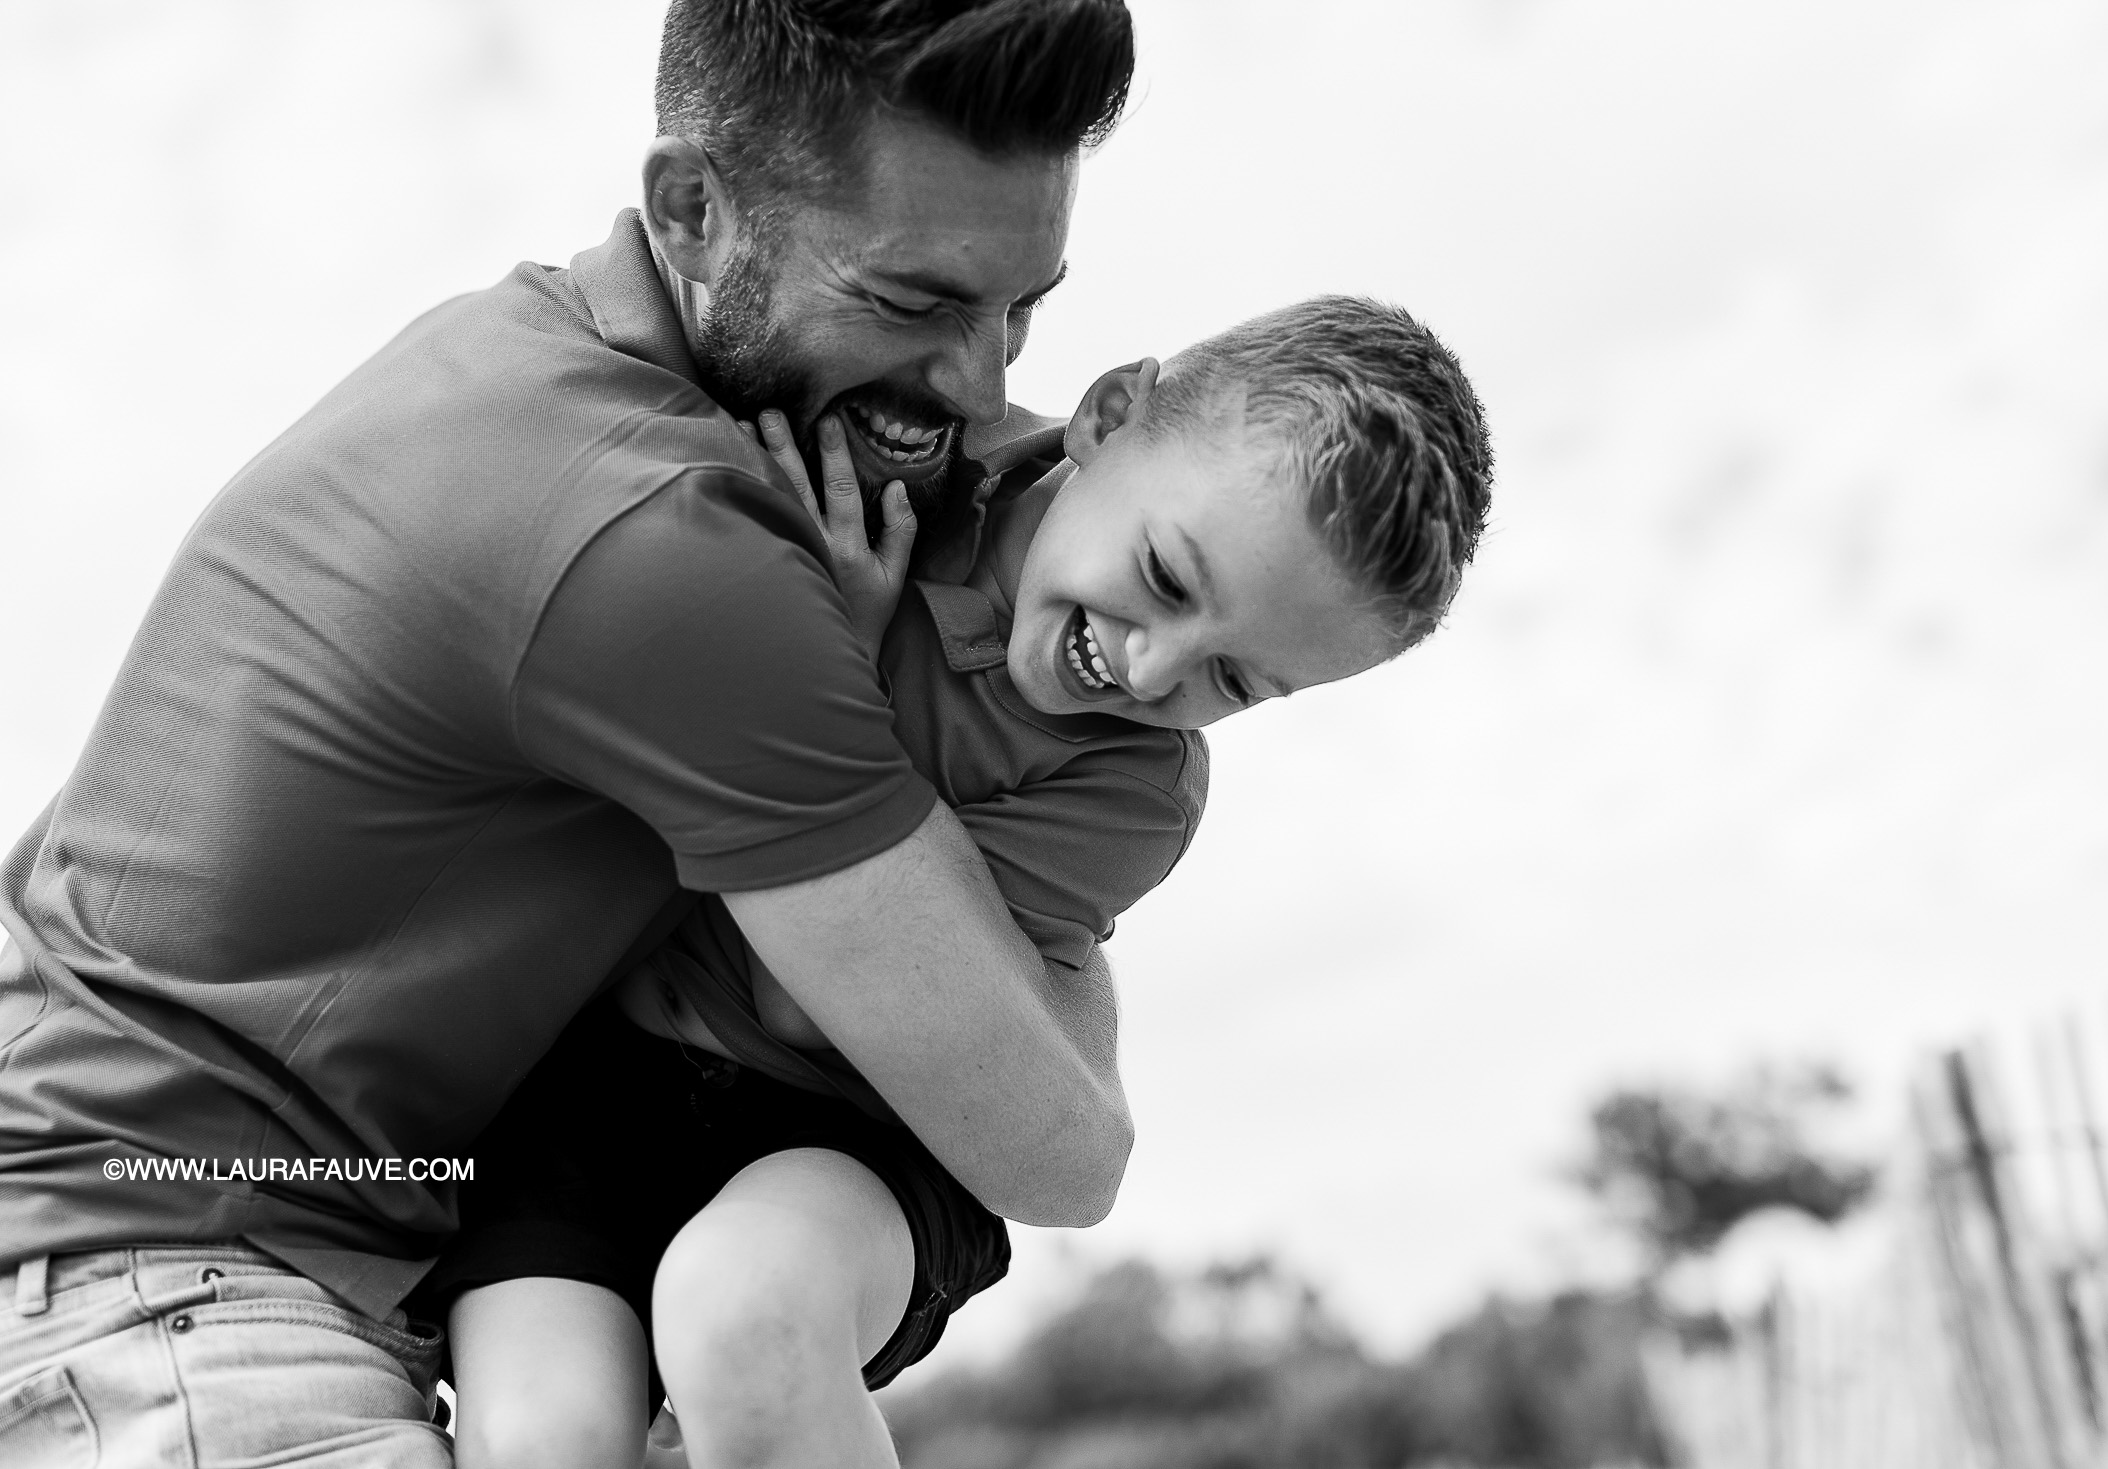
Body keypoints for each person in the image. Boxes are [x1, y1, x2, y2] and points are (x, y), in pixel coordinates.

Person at [0, 3, 1145, 1463]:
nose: (982, 385)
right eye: (916, 306)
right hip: (166, 1301)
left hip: (164, 1262)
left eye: (1019, 310)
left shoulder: (536, 358)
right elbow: (1054, 1149)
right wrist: (1072, 955)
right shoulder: (661, 538)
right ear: (693, 207)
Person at [433, 297, 1495, 1469]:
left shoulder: (1134, 794)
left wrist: (817, 666)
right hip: (597, 1072)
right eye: (1164, 575)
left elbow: (841, 991)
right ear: (1107, 415)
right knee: (539, 1436)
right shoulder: (904, 460)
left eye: (1233, 680)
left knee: (745, 1315)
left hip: (854, 1131)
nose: (1148, 667)